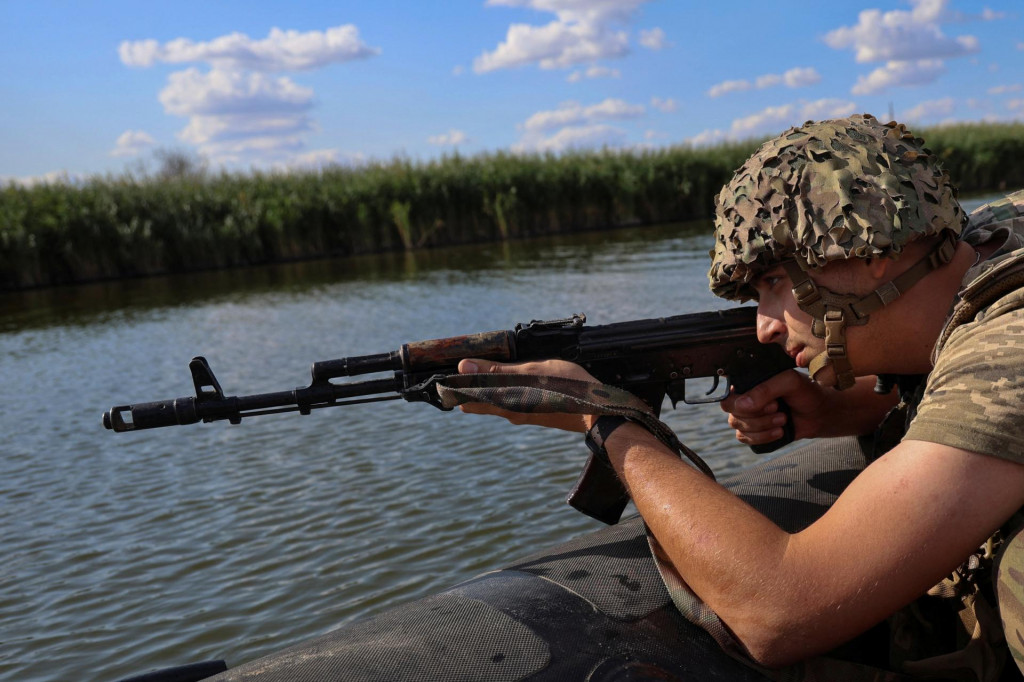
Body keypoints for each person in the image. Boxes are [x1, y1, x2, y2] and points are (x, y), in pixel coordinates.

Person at [456, 113, 1024, 680]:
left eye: (775, 283)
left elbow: (779, 609)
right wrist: (837, 411)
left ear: (869, 245)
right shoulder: (994, 237)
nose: (765, 328)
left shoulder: (1009, 346)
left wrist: (601, 417)